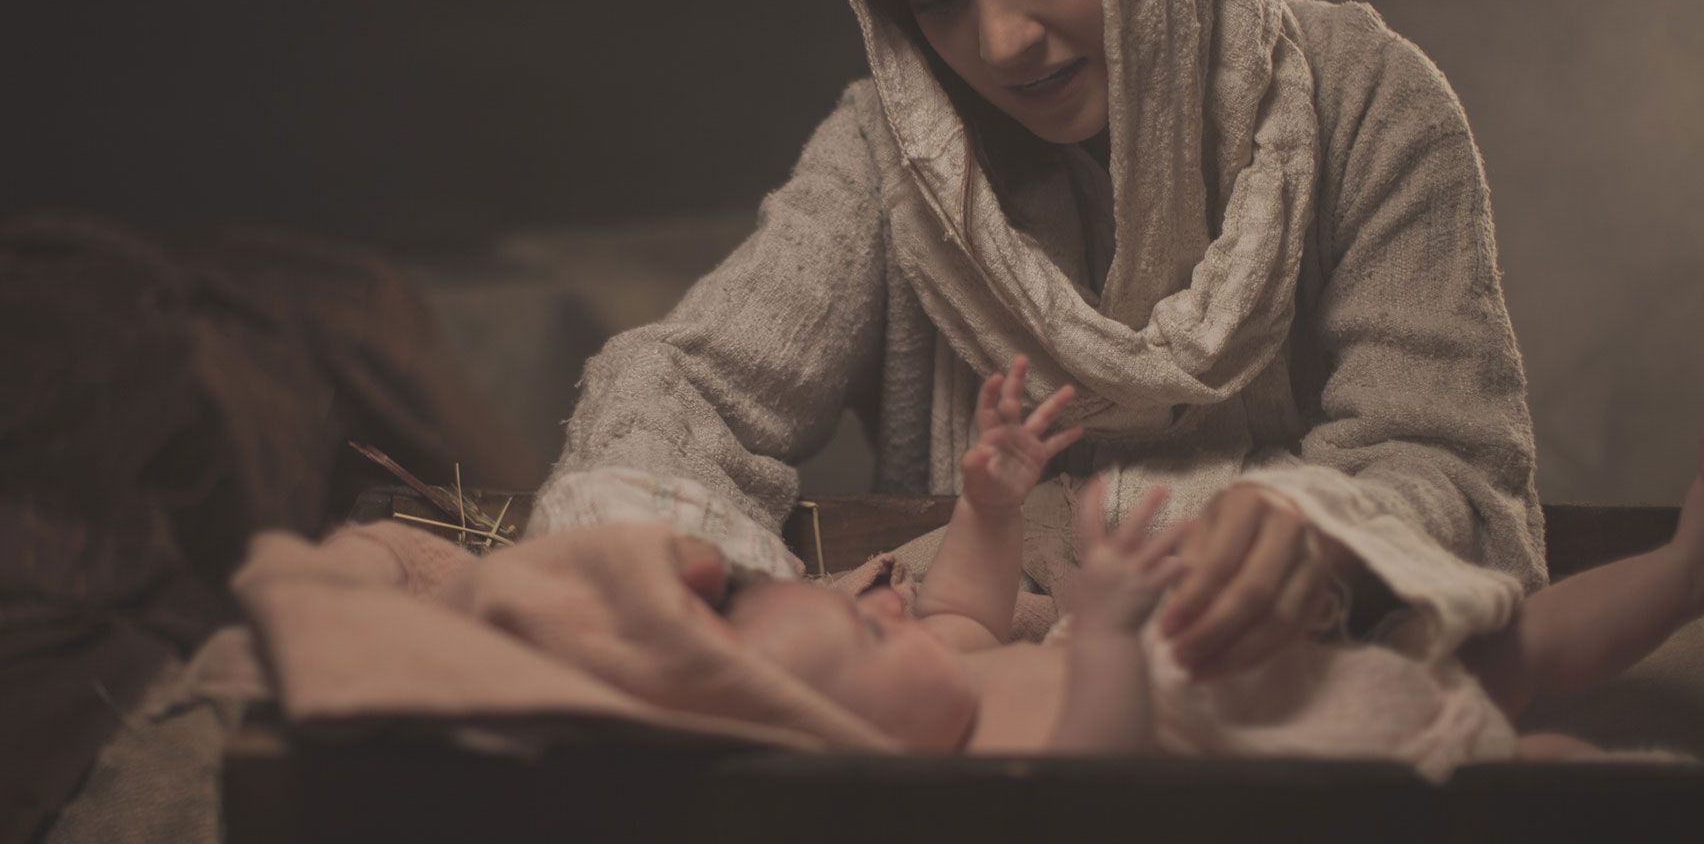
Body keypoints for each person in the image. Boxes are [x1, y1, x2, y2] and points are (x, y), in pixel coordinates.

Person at [530, 0, 1546, 681]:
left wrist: (1322, 537)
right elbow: (695, 385)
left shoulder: (1365, 102)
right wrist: (664, 558)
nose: (1005, 43)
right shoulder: (901, 153)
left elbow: (1447, 465)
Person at [719, 359, 1704, 768]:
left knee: (1515, 644)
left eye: (860, 598)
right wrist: (1102, 632)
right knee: (1533, 769)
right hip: (1325, 751)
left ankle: (1685, 564)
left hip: (1282, 665)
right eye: (860, 633)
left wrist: (991, 504)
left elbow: (968, 599)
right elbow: (1100, 776)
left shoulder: (948, 660)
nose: (888, 602)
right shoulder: (980, 774)